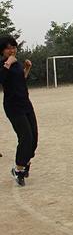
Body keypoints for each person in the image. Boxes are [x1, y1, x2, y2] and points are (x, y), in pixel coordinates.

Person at [0, 36, 38, 186]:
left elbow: (20, 80)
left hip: (26, 104)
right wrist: (7, 63)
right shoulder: (4, 64)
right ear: (2, 50)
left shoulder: (16, 63)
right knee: (25, 137)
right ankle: (18, 169)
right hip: (13, 106)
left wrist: (26, 68)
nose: (12, 50)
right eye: (8, 48)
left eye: (14, 47)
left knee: (34, 138)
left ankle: (25, 163)